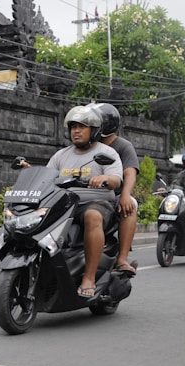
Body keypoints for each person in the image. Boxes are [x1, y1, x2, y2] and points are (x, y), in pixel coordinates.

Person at [47, 105, 123, 298]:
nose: (76, 131)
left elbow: (116, 180)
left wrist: (104, 180)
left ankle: (89, 277)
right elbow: (46, 178)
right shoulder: (60, 155)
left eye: (82, 127)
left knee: (92, 216)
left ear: (94, 130)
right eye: (73, 127)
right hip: (65, 204)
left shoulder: (106, 153)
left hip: (95, 203)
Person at [88, 103, 140, 276]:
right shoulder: (88, 144)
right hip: (87, 195)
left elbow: (130, 173)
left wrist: (125, 195)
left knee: (130, 205)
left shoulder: (123, 146)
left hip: (113, 196)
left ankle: (122, 259)